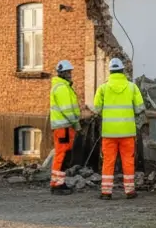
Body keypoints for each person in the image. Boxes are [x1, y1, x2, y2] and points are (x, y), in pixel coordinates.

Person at [92, 58, 145, 200]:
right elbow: (140, 108)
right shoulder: (132, 87)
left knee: (108, 161)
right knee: (128, 161)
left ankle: (106, 192)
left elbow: (96, 109)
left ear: (110, 71)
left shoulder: (103, 88)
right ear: (122, 71)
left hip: (109, 133)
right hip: (127, 132)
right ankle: (130, 191)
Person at [47, 59, 80, 195]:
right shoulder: (62, 88)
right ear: (63, 73)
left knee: (62, 154)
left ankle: (58, 183)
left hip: (63, 127)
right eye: (68, 72)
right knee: (62, 155)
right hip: (64, 127)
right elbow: (67, 109)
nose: (70, 74)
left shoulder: (61, 86)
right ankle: (57, 185)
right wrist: (76, 123)